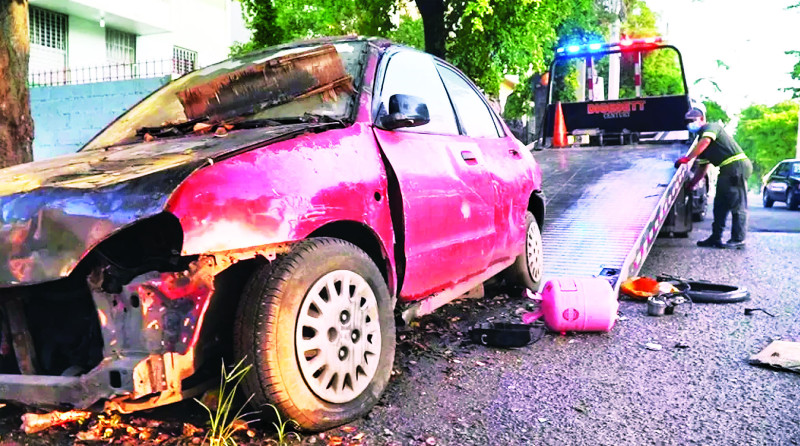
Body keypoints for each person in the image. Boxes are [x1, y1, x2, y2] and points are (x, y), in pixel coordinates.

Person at [675, 104, 752, 249]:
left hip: (737, 166)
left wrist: (688, 158)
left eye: (693, 120)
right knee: (720, 205)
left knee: (737, 205)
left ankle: (738, 239)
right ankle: (715, 237)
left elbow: (706, 141)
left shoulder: (711, 127)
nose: (690, 124)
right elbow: (703, 168)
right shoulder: (700, 141)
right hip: (725, 169)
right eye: (687, 122)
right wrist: (692, 184)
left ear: (702, 119)